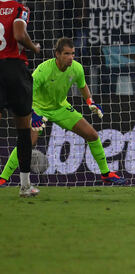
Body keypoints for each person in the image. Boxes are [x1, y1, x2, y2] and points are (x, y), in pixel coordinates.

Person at [0, 38, 127, 187]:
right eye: (67, 53)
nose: (71, 57)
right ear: (57, 54)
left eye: (73, 53)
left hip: (60, 108)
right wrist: (33, 114)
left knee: (92, 135)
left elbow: (82, 85)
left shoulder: (77, 68)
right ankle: (3, 177)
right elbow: (26, 93)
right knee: (28, 142)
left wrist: (90, 102)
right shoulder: (43, 70)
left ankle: (106, 174)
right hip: (38, 107)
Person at [0, 0, 42, 197]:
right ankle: (25, 186)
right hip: (14, 70)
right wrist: (33, 47)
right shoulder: (19, 8)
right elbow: (18, 34)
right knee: (24, 130)